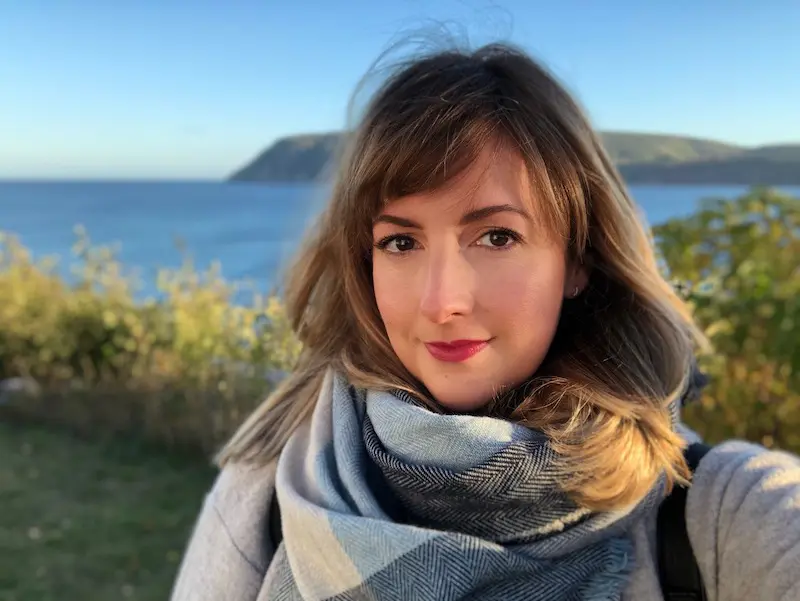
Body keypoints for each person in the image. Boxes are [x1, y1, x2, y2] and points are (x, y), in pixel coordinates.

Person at [170, 42, 800, 601]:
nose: (442, 302)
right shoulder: (271, 488)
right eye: (400, 243)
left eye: (497, 236)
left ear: (577, 260)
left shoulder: (717, 516)